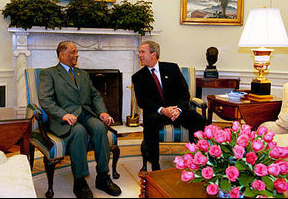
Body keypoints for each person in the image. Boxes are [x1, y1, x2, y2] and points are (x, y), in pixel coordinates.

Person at [38, 41, 121, 198]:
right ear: (62, 55)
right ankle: (80, 181)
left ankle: (103, 177)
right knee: (79, 132)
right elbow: (46, 100)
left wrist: (102, 112)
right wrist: (62, 114)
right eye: (73, 52)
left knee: (99, 127)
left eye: (76, 52)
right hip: (63, 118)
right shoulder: (48, 74)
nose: (77, 55)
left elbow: (95, 95)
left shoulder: (82, 74)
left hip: (85, 113)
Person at [132, 40, 207, 171]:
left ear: (153, 54)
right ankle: (155, 166)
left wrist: (177, 109)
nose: (139, 55)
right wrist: (162, 110)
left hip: (176, 110)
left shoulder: (172, 68)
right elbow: (142, 102)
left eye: (142, 52)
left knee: (199, 120)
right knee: (150, 122)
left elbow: (184, 93)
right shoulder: (138, 77)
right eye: (139, 52)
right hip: (157, 112)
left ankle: (197, 160)